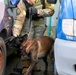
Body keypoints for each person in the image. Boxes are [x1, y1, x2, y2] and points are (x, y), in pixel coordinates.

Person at [10, 0, 54, 74]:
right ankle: (26, 66)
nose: (30, 1)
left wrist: (38, 11)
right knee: (25, 45)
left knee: (36, 46)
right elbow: (19, 19)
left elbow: (51, 11)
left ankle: (34, 66)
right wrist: (15, 34)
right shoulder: (22, 2)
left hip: (40, 22)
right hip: (27, 22)